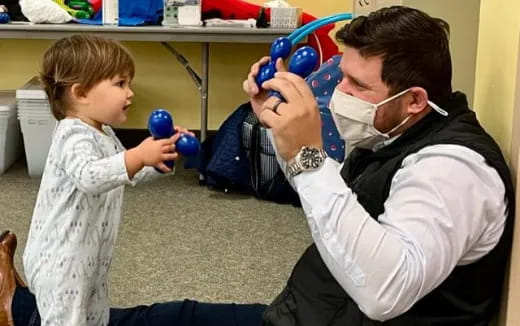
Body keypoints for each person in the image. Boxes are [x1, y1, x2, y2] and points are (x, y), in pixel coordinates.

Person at [0, 6, 514, 326]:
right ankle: (21, 310)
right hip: (321, 306)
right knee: (171, 316)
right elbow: (338, 211)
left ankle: (19, 311)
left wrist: (308, 157)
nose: (338, 91)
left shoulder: (453, 171)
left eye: (357, 85)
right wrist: (282, 134)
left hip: (346, 311)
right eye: (343, 75)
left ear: (415, 99)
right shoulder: (395, 131)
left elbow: (385, 291)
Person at [21, 34, 188, 326]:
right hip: (60, 262)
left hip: (90, 256)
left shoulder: (102, 131)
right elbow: (90, 176)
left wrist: (160, 158)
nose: (130, 92)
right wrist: (139, 155)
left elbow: (125, 174)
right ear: (81, 93)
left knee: (97, 317)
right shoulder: (72, 133)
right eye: (120, 83)